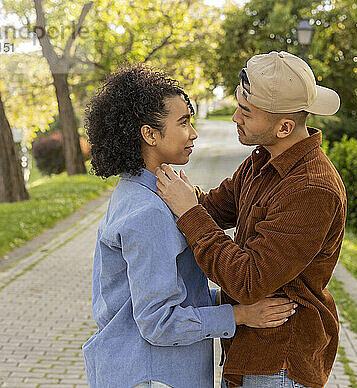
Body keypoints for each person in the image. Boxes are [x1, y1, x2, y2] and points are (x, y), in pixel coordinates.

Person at [81, 63, 297, 388]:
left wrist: (233, 303)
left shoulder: (149, 193)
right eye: (183, 122)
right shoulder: (148, 211)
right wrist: (239, 316)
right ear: (150, 134)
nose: (193, 133)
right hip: (151, 375)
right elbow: (159, 322)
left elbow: (181, 295)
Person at [155, 51, 347, 388]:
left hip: (279, 362)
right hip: (251, 353)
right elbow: (212, 208)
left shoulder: (312, 189)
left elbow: (248, 280)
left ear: (284, 127)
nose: (234, 118)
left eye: (246, 112)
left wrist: (189, 212)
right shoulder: (263, 160)